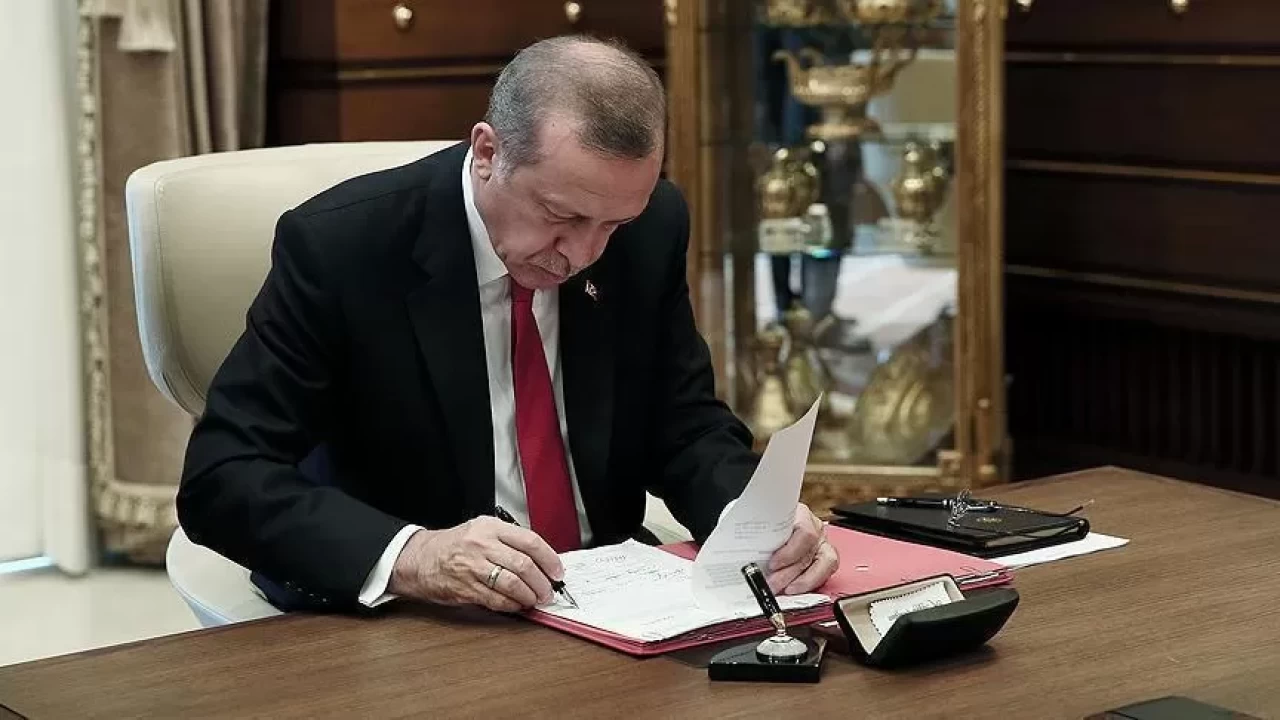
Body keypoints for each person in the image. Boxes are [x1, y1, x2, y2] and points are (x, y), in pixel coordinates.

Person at [178, 35, 839, 615]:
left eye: (613, 225)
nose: (584, 254)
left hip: (612, 602)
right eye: (561, 216)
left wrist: (749, 520)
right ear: (488, 152)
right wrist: (414, 555)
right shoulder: (344, 250)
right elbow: (224, 475)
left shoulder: (651, 226)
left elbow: (684, 423)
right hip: (421, 616)